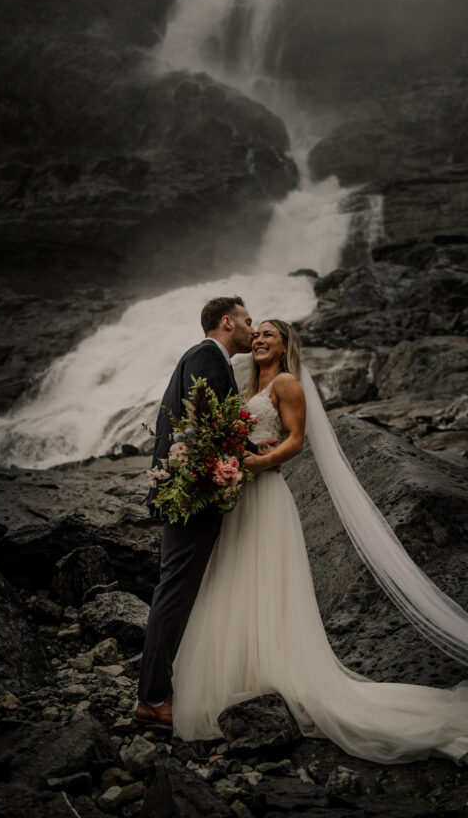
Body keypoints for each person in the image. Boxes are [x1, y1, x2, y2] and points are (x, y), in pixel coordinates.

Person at [171, 319, 468, 766]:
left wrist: (254, 464)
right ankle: (248, 673)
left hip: (265, 496)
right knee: (237, 581)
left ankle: (283, 674)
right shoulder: (244, 388)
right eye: (256, 334)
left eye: (270, 335)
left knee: (265, 578)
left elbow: (296, 442)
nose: (259, 339)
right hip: (240, 496)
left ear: (285, 346)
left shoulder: (286, 383)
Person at [136, 295, 275, 728]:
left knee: (178, 589)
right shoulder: (208, 357)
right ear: (226, 322)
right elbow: (205, 426)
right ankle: (153, 698)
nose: (254, 330)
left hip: (189, 489)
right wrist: (251, 452)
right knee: (175, 592)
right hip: (193, 494)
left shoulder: (206, 360)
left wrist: (249, 447)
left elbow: (205, 423)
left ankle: (163, 690)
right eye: (249, 321)